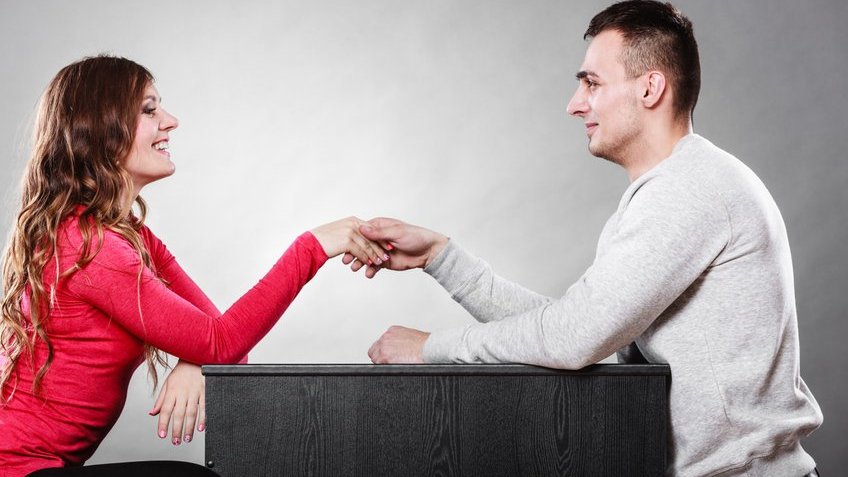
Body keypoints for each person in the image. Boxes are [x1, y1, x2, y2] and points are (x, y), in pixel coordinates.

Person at [355, 1, 823, 476]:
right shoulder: (667, 191)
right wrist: (441, 258)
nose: (575, 103)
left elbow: (572, 337)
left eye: (592, 83)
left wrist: (429, 347)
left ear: (650, 87)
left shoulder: (690, 190)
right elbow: (572, 327)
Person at [0, 55, 389, 477]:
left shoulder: (128, 235)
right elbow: (222, 343)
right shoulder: (90, 246)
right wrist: (311, 247)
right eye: (149, 110)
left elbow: (225, 344)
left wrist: (196, 359)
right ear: (102, 130)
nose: (171, 121)